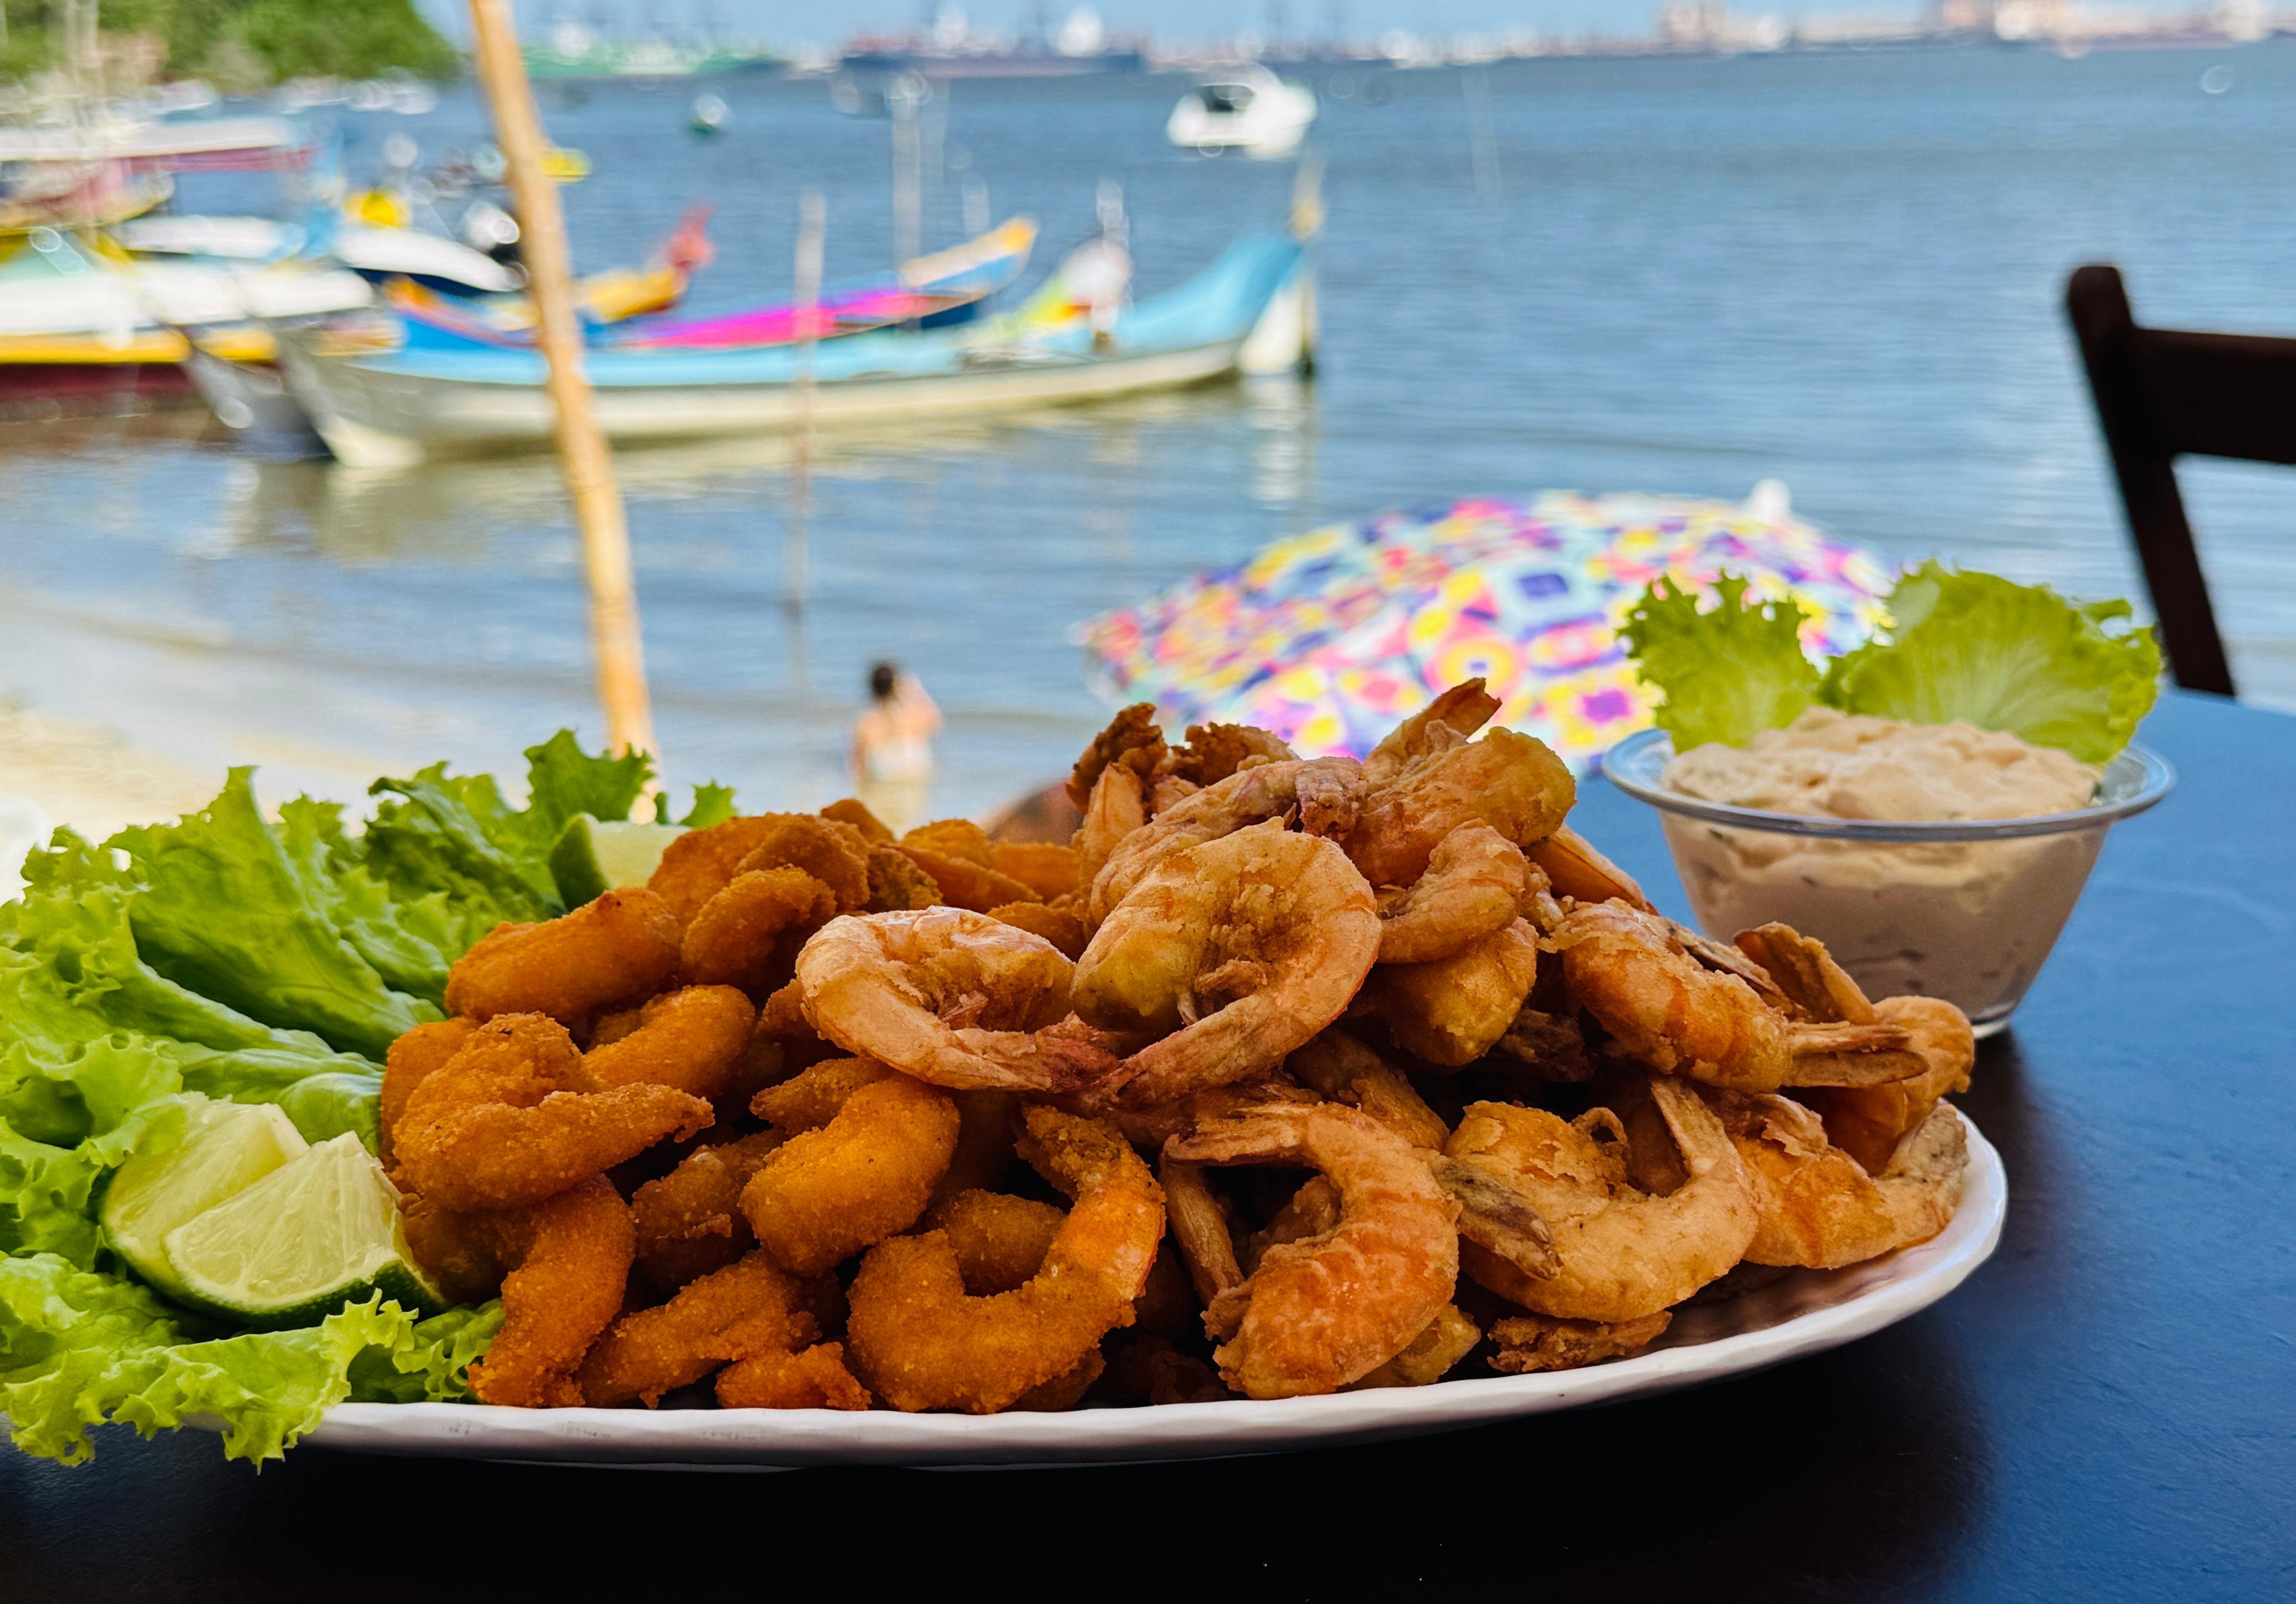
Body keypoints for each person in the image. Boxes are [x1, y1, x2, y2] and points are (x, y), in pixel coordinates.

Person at [851, 662, 940, 832]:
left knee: (886, 832)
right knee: (908, 831)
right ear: (897, 687)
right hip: (912, 785)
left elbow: (858, 764)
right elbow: (936, 720)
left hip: (881, 784)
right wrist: (915, 690)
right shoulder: (911, 718)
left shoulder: (867, 721)